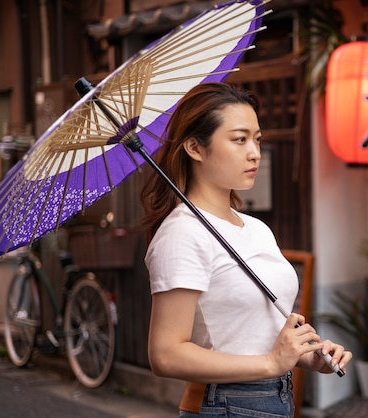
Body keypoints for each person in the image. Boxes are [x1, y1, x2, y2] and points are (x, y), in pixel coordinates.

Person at [141, 82, 352, 417]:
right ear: (195, 147)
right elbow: (165, 355)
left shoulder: (255, 229)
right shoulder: (182, 234)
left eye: (257, 139)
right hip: (224, 405)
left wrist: (305, 356)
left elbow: (251, 333)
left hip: (276, 399)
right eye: (239, 139)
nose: (254, 152)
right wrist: (270, 363)